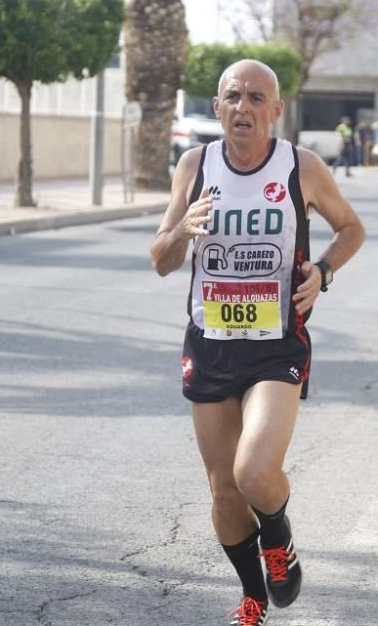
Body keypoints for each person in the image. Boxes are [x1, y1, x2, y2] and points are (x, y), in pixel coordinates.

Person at [150, 59, 365, 625]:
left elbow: (351, 227)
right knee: (223, 493)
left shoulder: (303, 167)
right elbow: (160, 260)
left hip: (276, 345)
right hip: (211, 343)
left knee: (253, 475)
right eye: (231, 96)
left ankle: (279, 534)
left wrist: (322, 270)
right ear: (217, 107)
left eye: (255, 97)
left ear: (275, 110)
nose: (242, 107)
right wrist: (181, 232)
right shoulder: (195, 166)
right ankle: (253, 597)